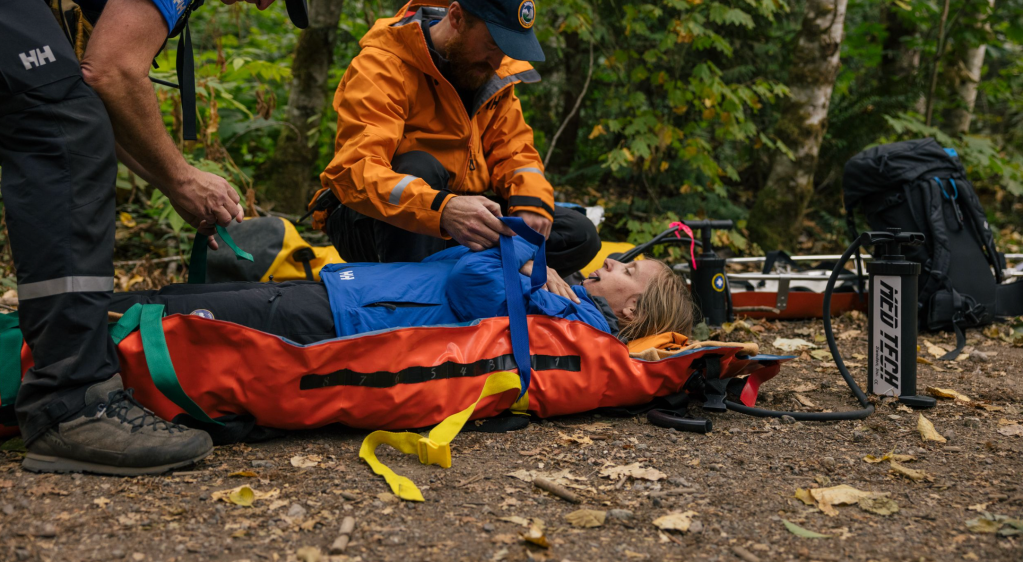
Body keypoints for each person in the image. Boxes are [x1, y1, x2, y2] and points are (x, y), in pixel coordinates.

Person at [0, 0, 326, 475]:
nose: (261, 2)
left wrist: (174, 180)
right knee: (60, 124)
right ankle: (71, 404)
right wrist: (180, 178)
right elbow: (111, 73)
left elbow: (97, 92)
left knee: (58, 117)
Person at [311, 0, 602, 276]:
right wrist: (443, 208)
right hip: (379, 221)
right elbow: (355, 171)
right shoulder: (383, 65)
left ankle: (476, 273)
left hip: (464, 217)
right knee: (420, 166)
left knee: (577, 233)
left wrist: (530, 204)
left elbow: (516, 152)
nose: (498, 60)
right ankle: (419, 298)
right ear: (456, 17)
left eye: (507, 49)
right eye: (493, 45)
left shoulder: (494, 73)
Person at [109, 243, 694, 348]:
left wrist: (525, 259)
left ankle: (45, 345)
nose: (613, 261)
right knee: (177, 296)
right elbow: (450, 265)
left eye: (629, 270)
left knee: (167, 317)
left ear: (632, 310)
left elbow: (472, 282)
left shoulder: (575, 320)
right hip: (352, 293)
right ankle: (55, 326)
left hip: (352, 318)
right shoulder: (564, 298)